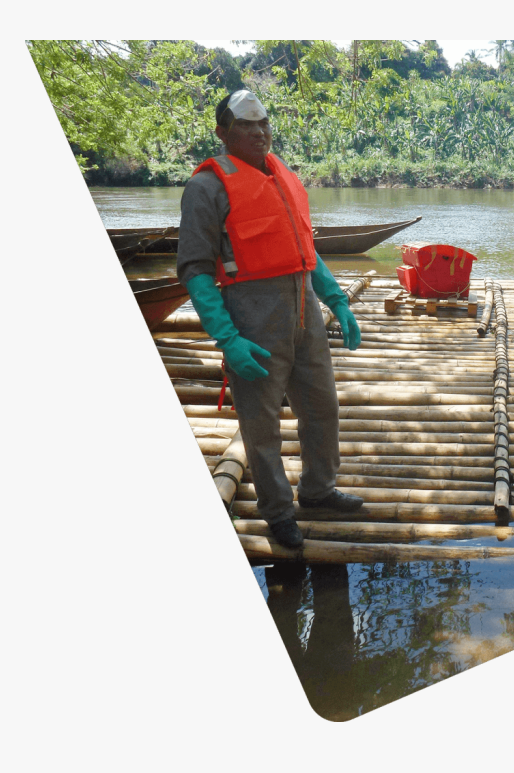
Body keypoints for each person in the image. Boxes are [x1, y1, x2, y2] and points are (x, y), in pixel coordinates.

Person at [177, 89, 364, 549]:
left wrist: (336, 299)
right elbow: (195, 270)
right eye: (247, 125)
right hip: (251, 316)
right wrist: (228, 340)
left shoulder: (284, 175)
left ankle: (318, 490)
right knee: (261, 424)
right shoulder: (206, 188)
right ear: (223, 133)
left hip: (305, 311)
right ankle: (277, 511)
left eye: (264, 123)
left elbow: (306, 250)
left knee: (322, 408)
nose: (260, 132)